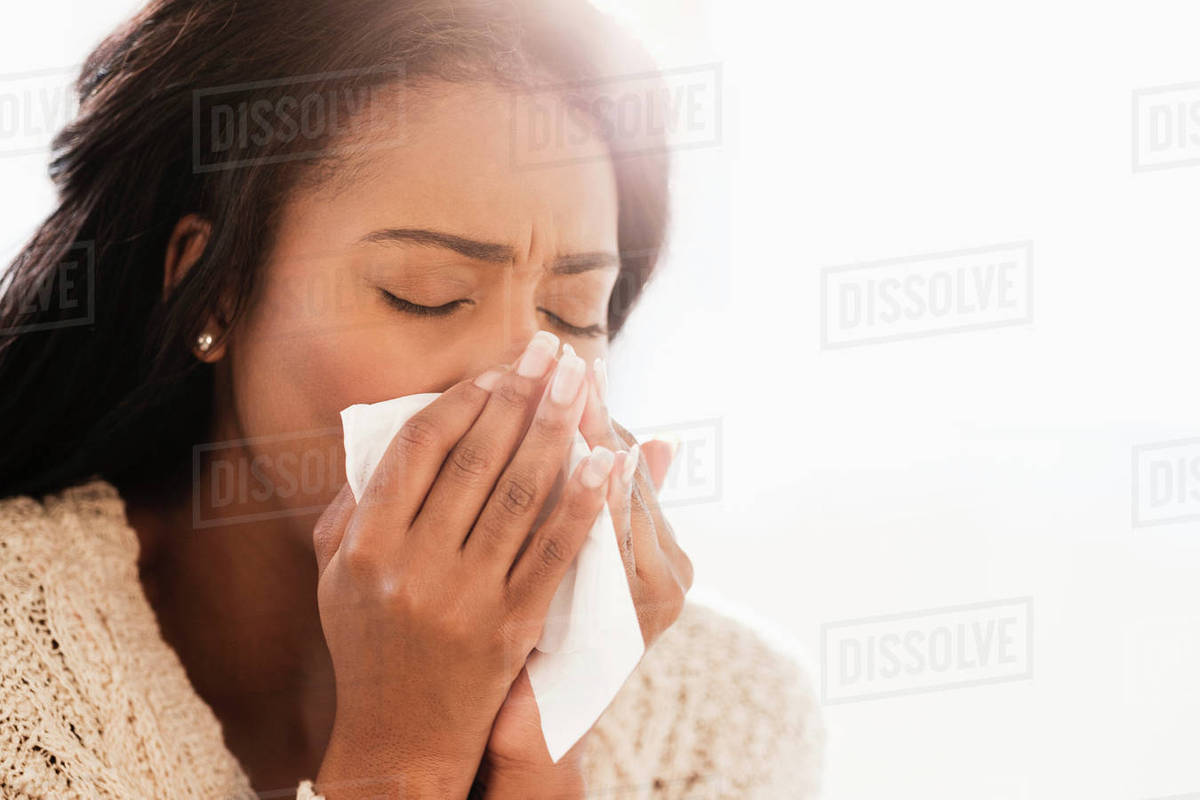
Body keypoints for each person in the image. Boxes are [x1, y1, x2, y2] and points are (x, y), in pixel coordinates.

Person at [0, 0, 823, 796]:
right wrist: (407, 759)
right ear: (211, 291)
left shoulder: (725, 712)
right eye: (423, 294)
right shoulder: (21, 666)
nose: (522, 379)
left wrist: (540, 751)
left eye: (574, 314)